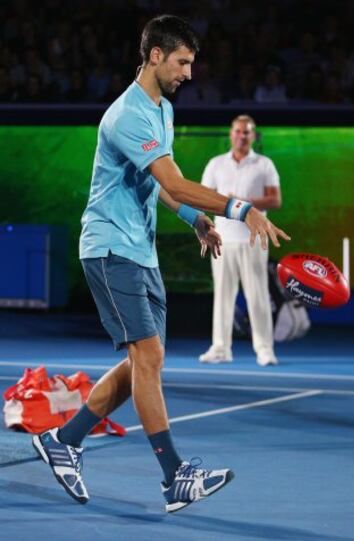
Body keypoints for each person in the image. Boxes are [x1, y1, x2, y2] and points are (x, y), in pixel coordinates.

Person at [32, 15, 290, 513]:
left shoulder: (162, 110)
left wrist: (195, 218)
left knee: (143, 365)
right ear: (155, 56)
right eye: (182, 62)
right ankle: (174, 475)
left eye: (191, 63)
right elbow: (173, 181)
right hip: (110, 248)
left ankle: (65, 440)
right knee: (147, 358)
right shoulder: (128, 114)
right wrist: (241, 208)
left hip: (139, 252)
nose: (189, 73)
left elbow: (159, 185)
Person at [199, 115, 282, 367]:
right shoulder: (215, 164)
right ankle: (221, 348)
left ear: (253, 136)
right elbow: (204, 197)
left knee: (257, 295)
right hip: (223, 239)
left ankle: (265, 349)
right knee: (223, 296)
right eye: (238, 131)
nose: (242, 136)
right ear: (231, 134)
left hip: (254, 241)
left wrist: (242, 202)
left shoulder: (264, 164)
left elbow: (275, 200)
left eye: (246, 132)